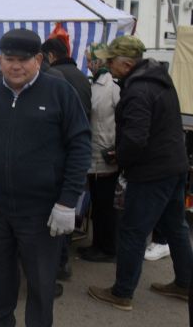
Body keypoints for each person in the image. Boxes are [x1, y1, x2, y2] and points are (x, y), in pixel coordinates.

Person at [0, 28, 91, 326]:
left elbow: (81, 147)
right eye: (10, 59)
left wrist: (68, 202)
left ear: (39, 59)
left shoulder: (60, 92)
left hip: (43, 209)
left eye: (24, 60)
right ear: (0, 60)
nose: (16, 66)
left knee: (41, 284)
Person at [88, 35, 193, 311]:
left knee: (133, 231)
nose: (108, 65)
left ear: (127, 63)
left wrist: (119, 157)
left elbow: (135, 138)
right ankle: (185, 284)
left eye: (111, 60)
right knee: (176, 226)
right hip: (174, 164)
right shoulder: (158, 78)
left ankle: (122, 292)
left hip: (152, 171)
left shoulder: (137, 90)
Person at [41, 35, 92, 284]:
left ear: (48, 56)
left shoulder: (54, 78)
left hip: (58, 155)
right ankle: (61, 262)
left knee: (53, 216)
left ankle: (56, 267)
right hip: (71, 155)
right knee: (64, 208)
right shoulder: (82, 76)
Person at [78, 42, 120, 263]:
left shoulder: (112, 87)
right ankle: (98, 244)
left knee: (105, 205)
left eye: (90, 59)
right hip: (94, 153)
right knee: (97, 203)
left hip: (106, 153)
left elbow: (122, 121)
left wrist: (116, 148)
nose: (88, 63)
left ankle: (108, 248)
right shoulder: (93, 84)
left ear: (99, 60)